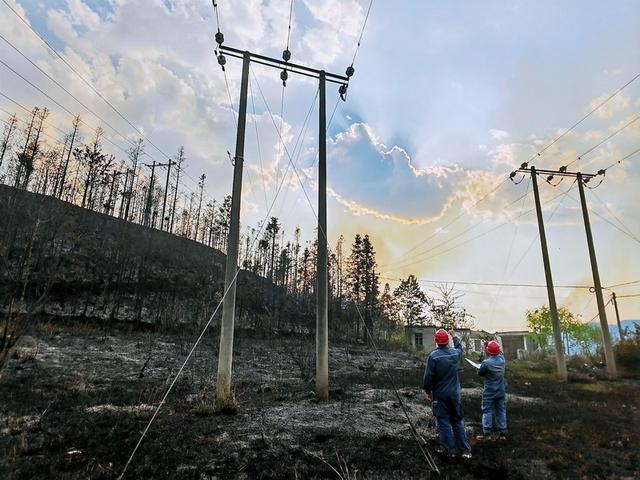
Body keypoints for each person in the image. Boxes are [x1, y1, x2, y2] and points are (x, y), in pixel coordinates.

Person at [423, 328, 472, 458]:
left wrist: (428, 391)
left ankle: (451, 451)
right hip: (454, 394)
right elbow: (460, 348)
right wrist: (454, 336)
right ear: (447, 341)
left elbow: (428, 377)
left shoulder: (433, 356)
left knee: (443, 421)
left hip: (440, 395)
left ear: (436, 341)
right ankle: (465, 451)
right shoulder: (455, 353)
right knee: (457, 420)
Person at [476, 340, 507, 441]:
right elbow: (499, 352)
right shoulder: (502, 360)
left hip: (489, 391)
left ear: (488, 351)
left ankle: (487, 434)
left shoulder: (486, 363)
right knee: (501, 410)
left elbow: (480, 373)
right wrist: (490, 345)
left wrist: (483, 348)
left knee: (487, 410)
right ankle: (502, 433)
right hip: (501, 390)